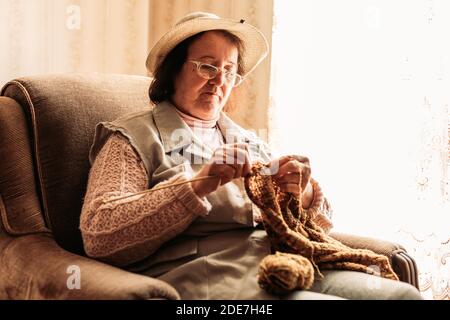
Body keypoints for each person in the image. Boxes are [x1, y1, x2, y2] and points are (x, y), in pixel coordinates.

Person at [80, 12, 422, 300]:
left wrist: (301, 193)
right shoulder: (130, 137)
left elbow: (316, 225)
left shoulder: (246, 140)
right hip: (204, 274)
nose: (219, 81)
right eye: (207, 66)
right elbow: (101, 234)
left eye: (229, 70)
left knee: (400, 295)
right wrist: (199, 183)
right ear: (174, 70)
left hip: (283, 264)